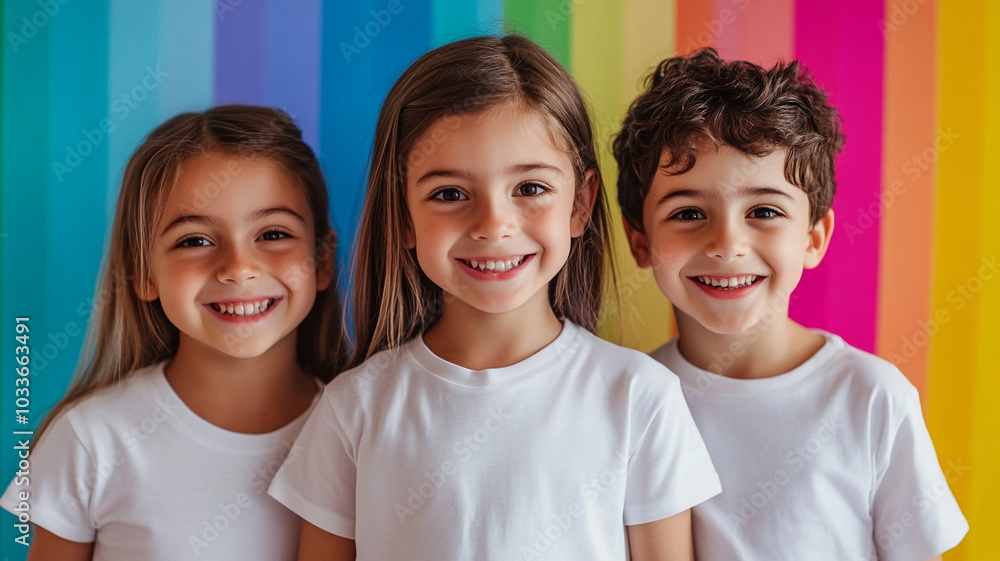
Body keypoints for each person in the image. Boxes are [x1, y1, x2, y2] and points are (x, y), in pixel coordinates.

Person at [267, 35, 720, 561]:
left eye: (530, 188)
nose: (493, 226)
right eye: (450, 194)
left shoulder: (640, 398)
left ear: (581, 203)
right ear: (403, 217)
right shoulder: (353, 410)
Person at [613, 48, 968, 561]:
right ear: (641, 241)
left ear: (814, 238)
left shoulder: (872, 399)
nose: (726, 243)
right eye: (689, 212)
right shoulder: (629, 401)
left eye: (763, 210)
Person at [0, 105, 348, 561]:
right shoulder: (91, 439)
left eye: (273, 233)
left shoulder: (360, 436)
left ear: (322, 259)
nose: (239, 268)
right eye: (195, 240)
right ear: (143, 272)